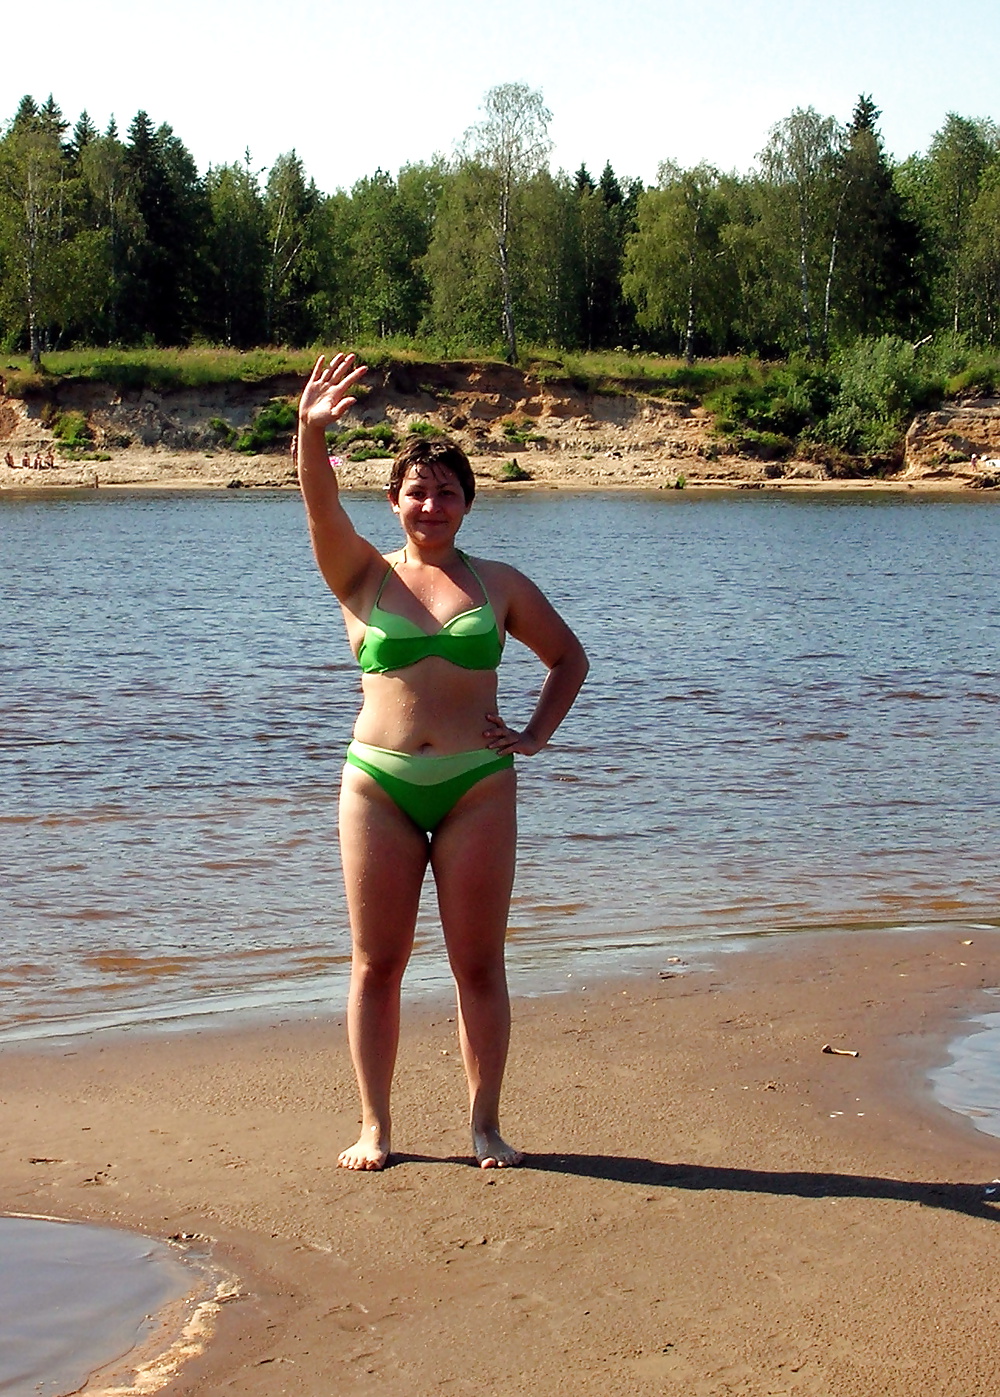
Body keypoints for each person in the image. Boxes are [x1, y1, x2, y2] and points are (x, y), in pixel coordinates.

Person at [297, 353, 588, 1171]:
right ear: (392, 502)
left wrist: (533, 736)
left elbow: (569, 660)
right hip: (378, 786)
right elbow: (319, 509)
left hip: (477, 789)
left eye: (448, 491)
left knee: (478, 964)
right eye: (417, 492)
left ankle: (485, 1125)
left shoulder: (500, 584)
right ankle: (374, 1127)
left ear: (468, 502)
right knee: (375, 964)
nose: (432, 505)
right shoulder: (359, 574)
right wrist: (310, 431)